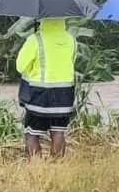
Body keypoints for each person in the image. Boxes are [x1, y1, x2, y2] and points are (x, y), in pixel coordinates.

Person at [15, 17, 77, 160]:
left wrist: (31, 70)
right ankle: (56, 166)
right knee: (58, 131)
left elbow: (20, 66)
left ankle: (37, 168)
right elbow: (71, 62)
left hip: (39, 94)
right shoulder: (71, 39)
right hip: (65, 94)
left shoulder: (35, 39)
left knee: (32, 132)